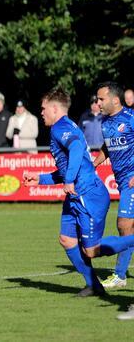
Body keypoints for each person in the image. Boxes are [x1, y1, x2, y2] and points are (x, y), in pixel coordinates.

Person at [23, 87, 134, 297]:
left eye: (43, 108)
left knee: (91, 250)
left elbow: (74, 150)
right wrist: (40, 179)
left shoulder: (60, 128)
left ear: (54, 108)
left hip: (87, 195)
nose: (41, 112)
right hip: (77, 194)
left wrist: (71, 180)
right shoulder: (65, 127)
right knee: (67, 239)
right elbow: (66, 169)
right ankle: (94, 285)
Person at [93, 82, 134, 290]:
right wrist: (94, 164)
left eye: (101, 99)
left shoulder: (131, 118)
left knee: (124, 225)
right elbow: (107, 147)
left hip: (131, 180)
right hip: (122, 181)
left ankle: (119, 275)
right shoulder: (105, 123)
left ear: (115, 100)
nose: (97, 103)